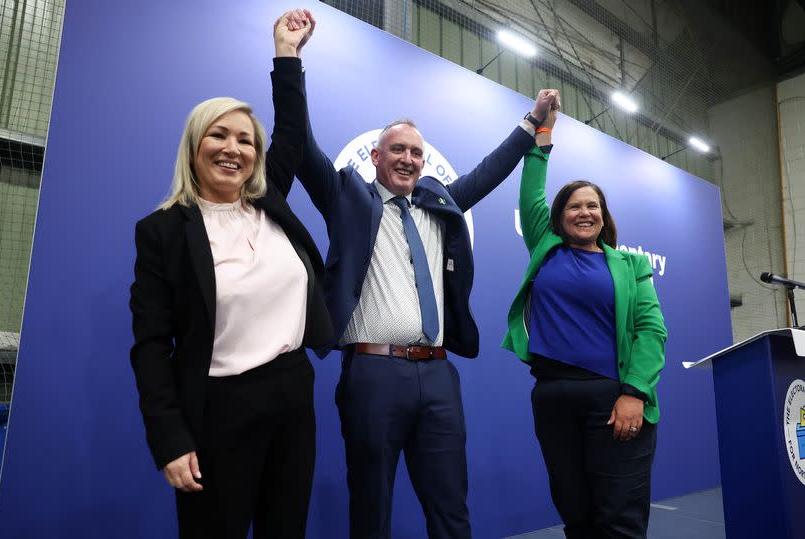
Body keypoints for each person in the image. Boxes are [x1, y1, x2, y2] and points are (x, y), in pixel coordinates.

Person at [283, 12, 555, 539]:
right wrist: (290, 59)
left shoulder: (439, 206)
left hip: (438, 375)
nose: (408, 159)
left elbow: (490, 169)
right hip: (371, 373)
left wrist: (532, 122)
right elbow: (300, 140)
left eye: (416, 152)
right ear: (376, 158)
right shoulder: (347, 198)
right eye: (397, 150)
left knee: (451, 509)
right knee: (372, 507)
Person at [128, 9, 331, 538]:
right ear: (195, 147)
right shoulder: (163, 231)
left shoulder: (270, 201)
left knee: (285, 530)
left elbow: (290, 130)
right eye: (219, 135)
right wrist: (170, 439)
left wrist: (286, 53)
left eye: (245, 140)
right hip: (218, 407)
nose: (233, 149)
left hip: (292, 393)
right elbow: (151, 345)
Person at [502, 91, 667, 539]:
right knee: (577, 516)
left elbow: (652, 332)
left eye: (593, 205)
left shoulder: (631, 266)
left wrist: (635, 392)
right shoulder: (545, 247)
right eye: (575, 205)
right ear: (559, 217)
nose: (584, 211)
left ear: (604, 215)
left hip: (614, 401)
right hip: (553, 398)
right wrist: (544, 130)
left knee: (619, 520)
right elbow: (532, 185)